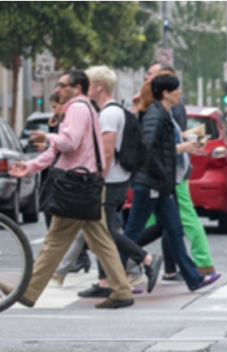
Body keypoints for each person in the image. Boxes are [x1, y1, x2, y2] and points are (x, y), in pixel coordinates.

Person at [5, 70, 135, 309]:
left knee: (55, 240)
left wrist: (49, 137)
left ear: (76, 88)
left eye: (62, 85)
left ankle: (26, 291)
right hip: (87, 185)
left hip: (76, 185)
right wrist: (32, 165)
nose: (57, 89)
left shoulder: (76, 109)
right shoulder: (84, 108)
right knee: (102, 241)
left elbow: (68, 143)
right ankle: (122, 291)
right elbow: (61, 150)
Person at [51, 66, 163, 296]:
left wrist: (97, 179)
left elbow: (107, 151)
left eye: (89, 83)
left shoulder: (109, 113)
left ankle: (146, 258)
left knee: (101, 232)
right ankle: (105, 282)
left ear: (99, 86)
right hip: (114, 180)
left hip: (110, 181)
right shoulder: (107, 111)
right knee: (104, 229)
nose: (85, 86)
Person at [124, 72, 220, 294]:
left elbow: (159, 148)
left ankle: (193, 278)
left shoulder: (163, 114)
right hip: (150, 184)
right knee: (132, 233)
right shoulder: (155, 115)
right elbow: (147, 148)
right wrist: (161, 173)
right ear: (166, 93)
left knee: (175, 229)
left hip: (160, 185)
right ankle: (115, 279)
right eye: (176, 89)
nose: (180, 93)